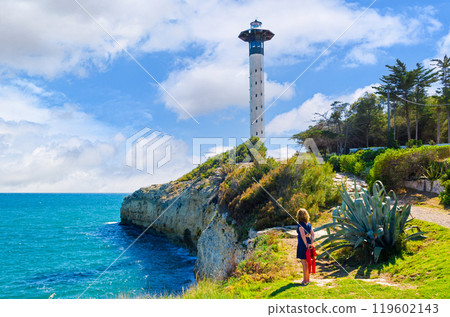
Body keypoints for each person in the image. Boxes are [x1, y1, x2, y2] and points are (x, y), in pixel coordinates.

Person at [296, 208, 315, 286]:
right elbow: (313, 234)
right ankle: (308, 279)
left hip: (302, 245)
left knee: (304, 262)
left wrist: (306, 244)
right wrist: (311, 243)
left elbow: (302, 235)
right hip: (309, 244)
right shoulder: (309, 224)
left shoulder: (300, 225)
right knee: (308, 262)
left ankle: (305, 280)